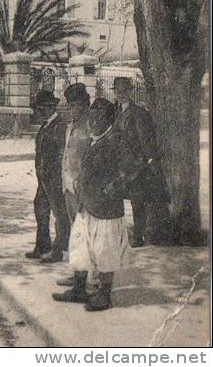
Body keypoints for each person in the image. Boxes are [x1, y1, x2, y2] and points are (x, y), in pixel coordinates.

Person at [53, 98, 138, 312]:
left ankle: (104, 295)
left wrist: (113, 188)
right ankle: (79, 289)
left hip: (106, 210)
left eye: (97, 118)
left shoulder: (115, 141)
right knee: (80, 246)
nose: (92, 122)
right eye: (91, 118)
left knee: (105, 251)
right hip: (87, 205)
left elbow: (131, 170)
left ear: (107, 120)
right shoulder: (96, 140)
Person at [112, 77, 170, 247]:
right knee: (117, 199)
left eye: (125, 91)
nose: (121, 94)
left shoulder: (139, 113)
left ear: (131, 92)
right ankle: (119, 233)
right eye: (118, 91)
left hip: (136, 165)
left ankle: (138, 236)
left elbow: (146, 141)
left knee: (137, 201)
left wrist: (149, 161)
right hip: (120, 164)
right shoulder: (116, 112)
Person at [27, 90, 70, 263]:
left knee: (59, 214)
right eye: (39, 108)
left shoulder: (60, 126)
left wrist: (55, 176)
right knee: (40, 210)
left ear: (52, 107)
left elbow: (61, 154)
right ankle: (42, 245)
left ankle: (59, 250)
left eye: (43, 107)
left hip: (53, 178)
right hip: (43, 178)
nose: (40, 111)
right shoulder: (46, 125)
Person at [56, 82, 92, 286]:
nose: (73, 109)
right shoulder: (70, 127)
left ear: (85, 105)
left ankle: (88, 276)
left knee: (84, 232)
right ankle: (78, 273)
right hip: (68, 187)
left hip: (81, 188)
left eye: (76, 105)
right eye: (70, 105)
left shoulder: (90, 126)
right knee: (74, 230)